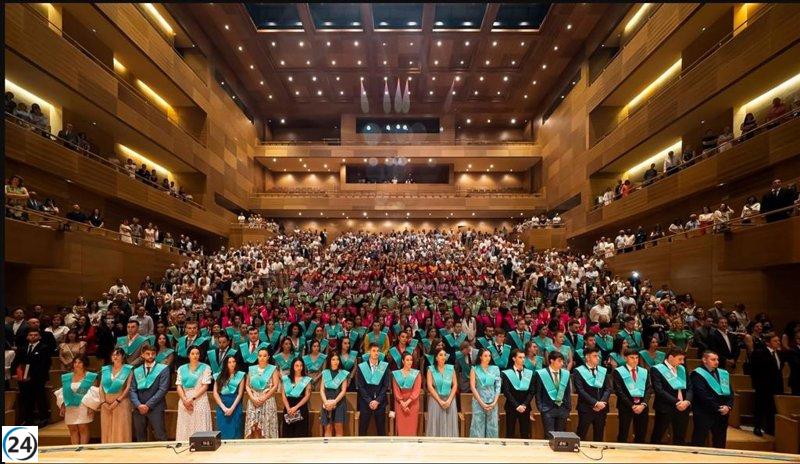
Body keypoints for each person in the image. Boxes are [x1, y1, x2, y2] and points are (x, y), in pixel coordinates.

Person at [690, 351, 734, 448]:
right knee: (699, 441)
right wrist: (719, 407)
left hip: (722, 413)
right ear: (704, 360)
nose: (717, 362)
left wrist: (728, 406)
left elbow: (730, 393)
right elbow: (702, 395)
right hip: (704, 413)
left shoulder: (723, 373)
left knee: (720, 442)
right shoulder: (697, 374)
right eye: (713, 359)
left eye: (717, 359)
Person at [649, 348, 692, 445]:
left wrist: (687, 401)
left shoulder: (682, 369)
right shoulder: (657, 369)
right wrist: (676, 402)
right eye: (680, 359)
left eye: (683, 359)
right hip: (665, 407)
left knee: (680, 437)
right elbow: (659, 390)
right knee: (658, 436)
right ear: (671, 357)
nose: (682, 362)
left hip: (683, 407)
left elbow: (690, 387)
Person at [12, 328, 52, 426]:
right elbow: (16, 362)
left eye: (35, 335)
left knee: (39, 398)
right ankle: (27, 419)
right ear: (27, 337)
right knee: (26, 399)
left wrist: (32, 376)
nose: (33, 336)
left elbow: (46, 364)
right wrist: (15, 374)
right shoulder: (22, 348)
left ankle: (44, 418)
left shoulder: (44, 347)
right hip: (23, 379)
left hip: (38, 379)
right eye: (31, 335)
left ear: (39, 337)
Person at [130, 344, 170, 442]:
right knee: (140, 437)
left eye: (153, 354)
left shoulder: (163, 369)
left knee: (160, 435)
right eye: (147, 354)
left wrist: (147, 405)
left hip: (156, 407)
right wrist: (139, 405)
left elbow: (163, 390)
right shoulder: (136, 370)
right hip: (138, 408)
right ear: (142, 355)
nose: (151, 356)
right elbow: (132, 390)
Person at [573, 347, 612, 441]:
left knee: (599, 434)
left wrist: (602, 402)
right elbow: (580, 390)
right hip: (586, 407)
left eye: (598, 356)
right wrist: (595, 403)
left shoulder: (603, 370)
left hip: (602, 408)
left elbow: (608, 388)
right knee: (581, 433)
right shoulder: (578, 371)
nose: (598, 358)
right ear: (587, 357)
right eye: (595, 356)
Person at [58, 356, 98, 445]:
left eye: (80, 362)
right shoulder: (67, 377)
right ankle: (74, 449)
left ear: (84, 363)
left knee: (82, 427)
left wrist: (91, 407)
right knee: (72, 428)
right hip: (70, 405)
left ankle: (83, 449)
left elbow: (94, 392)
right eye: (75, 362)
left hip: (84, 405)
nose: (77, 364)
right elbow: (63, 391)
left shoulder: (90, 376)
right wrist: (62, 405)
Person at [175, 346, 212, 441]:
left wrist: (192, 399)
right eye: (192, 353)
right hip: (184, 401)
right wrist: (184, 400)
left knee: (200, 425)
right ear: (188, 355)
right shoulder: (181, 368)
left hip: (199, 400)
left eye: (197, 353)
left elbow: (205, 386)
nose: (195, 356)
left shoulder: (205, 368)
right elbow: (179, 385)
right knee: (185, 425)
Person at [614, 349, 651, 443]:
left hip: (642, 407)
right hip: (626, 406)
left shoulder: (644, 371)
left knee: (641, 434)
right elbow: (619, 391)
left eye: (637, 357)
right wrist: (632, 405)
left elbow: (648, 389)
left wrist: (643, 404)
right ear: (626, 358)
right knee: (623, 433)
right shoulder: (618, 371)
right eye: (632, 358)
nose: (635, 360)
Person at [750, 334, 784, 437]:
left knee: (772, 408)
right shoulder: (760, 353)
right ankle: (757, 427)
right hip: (763, 385)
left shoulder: (779, 353)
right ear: (768, 342)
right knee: (760, 407)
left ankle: (770, 429)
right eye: (775, 341)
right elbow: (754, 370)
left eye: (778, 341)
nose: (778, 343)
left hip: (776, 386)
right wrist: (757, 384)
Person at [244, 347, 280, 439]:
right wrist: (252, 397)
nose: (262, 358)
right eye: (260, 356)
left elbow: (275, 386)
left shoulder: (273, 369)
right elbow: (247, 386)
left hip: (267, 401)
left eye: (264, 356)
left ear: (268, 357)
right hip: (253, 401)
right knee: (254, 426)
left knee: (265, 426)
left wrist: (264, 397)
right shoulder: (251, 369)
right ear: (257, 357)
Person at [99, 347, 133, 443]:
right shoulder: (106, 369)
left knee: (120, 429)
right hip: (106, 403)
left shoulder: (128, 369)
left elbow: (128, 387)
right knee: (107, 428)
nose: (115, 357)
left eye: (117, 354)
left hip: (121, 402)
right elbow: (101, 387)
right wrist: (103, 402)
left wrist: (118, 400)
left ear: (122, 356)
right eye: (113, 355)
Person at [356, 343, 391, 436]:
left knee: (381, 430)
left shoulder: (384, 366)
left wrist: (377, 401)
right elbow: (360, 386)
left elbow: (385, 386)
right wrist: (370, 401)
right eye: (374, 351)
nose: (376, 353)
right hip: (365, 403)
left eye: (378, 351)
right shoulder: (362, 367)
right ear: (369, 352)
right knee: (363, 430)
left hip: (380, 403)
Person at [535, 351, 571, 438]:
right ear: (551, 361)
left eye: (562, 361)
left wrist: (568, 408)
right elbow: (538, 392)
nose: (562, 363)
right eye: (559, 361)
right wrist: (541, 408)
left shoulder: (565, 374)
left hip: (562, 409)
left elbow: (567, 392)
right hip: (547, 409)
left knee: (561, 436)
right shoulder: (542, 374)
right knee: (549, 436)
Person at [469, 348, 501, 438]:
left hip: (492, 401)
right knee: (478, 425)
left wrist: (494, 402)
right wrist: (482, 403)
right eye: (485, 356)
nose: (488, 358)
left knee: (492, 426)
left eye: (489, 356)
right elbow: (472, 387)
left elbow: (498, 387)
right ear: (480, 357)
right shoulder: (474, 369)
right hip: (478, 400)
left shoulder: (495, 369)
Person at [425, 348, 459, 437]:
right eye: (440, 355)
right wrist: (440, 401)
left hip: (449, 400)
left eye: (444, 355)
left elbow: (455, 385)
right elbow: (429, 386)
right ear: (436, 358)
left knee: (449, 423)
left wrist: (449, 400)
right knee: (435, 422)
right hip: (436, 400)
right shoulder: (431, 369)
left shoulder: (451, 369)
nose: (443, 357)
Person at [213, 355, 246, 439]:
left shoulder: (241, 375)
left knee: (236, 430)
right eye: (229, 362)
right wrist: (224, 408)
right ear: (226, 364)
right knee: (223, 431)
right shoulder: (219, 376)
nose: (232, 364)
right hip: (222, 405)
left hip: (235, 405)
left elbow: (240, 394)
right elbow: (215, 393)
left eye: (234, 362)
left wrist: (232, 408)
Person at [392, 352, 422, 436]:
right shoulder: (396, 374)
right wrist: (402, 403)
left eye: (411, 360)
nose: (409, 362)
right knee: (401, 428)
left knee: (411, 428)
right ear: (403, 361)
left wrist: (407, 403)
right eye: (407, 360)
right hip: (400, 403)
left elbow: (416, 390)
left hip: (413, 403)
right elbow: (396, 390)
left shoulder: (416, 374)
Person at [281, 358, 312, 438]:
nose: (299, 367)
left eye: (301, 365)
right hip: (288, 408)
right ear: (293, 366)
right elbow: (283, 395)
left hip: (301, 407)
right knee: (288, 433)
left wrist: (296, 407)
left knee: (300, 433)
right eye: (297, 365)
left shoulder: (307, 380)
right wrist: (288, 408)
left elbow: (307, 396)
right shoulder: (285, 379)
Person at [320, 351, 349, 437]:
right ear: (329, 361)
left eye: (337, 359)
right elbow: (321, 390)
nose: (336, 361)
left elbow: (343, 391)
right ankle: (327, 449)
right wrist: (325, 402)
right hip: (327, 402)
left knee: (338, 427)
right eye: (333, 359)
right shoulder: (325, 373)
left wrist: (334, 402)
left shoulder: (343, 373)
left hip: (339, 402)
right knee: (328, 427)